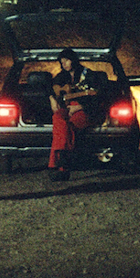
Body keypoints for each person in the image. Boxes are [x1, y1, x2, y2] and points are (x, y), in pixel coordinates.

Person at [47, 48, 99, 181]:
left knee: (65, 128)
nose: (63, 64)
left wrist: (79, 107)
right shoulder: (61, 76)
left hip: (82, 109)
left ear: (73, 60)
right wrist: (52, 99)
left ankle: (58, 166)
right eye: (61, 62)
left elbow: (98, 98)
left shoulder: (89, 75)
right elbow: (49, 88)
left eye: (66, 60)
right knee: (58, 118)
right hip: (66, 107)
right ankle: (63, 160)